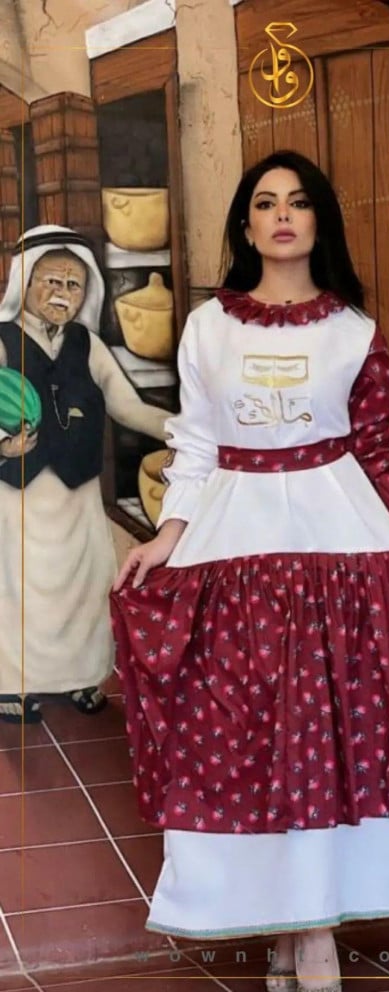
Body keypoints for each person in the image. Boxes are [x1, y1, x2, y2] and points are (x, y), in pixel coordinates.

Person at [111, 151, 389, 992]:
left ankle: (311, 933)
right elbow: (196, 447)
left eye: (297, 202)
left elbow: (377, 450)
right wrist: (167, 537)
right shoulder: (207, 327)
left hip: (341, 541)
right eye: (265, 203)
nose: (282, 215)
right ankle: (292, 925)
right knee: (252, 740)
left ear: (319, 220)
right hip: (233, 543)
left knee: (333, 737)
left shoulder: (353, 331)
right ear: (245, 225)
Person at [0, 225, 170, 724]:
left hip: (78, 495)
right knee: (17, 588)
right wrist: (4, 445)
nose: (63, 294)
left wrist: (191, 432)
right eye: (52, 281)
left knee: (84, 586)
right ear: (26, 283)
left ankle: (79, 677)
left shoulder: (88, 345)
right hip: (18, 497)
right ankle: (12, 684)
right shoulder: (3, 341)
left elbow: (130, 408)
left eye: (73, 285)